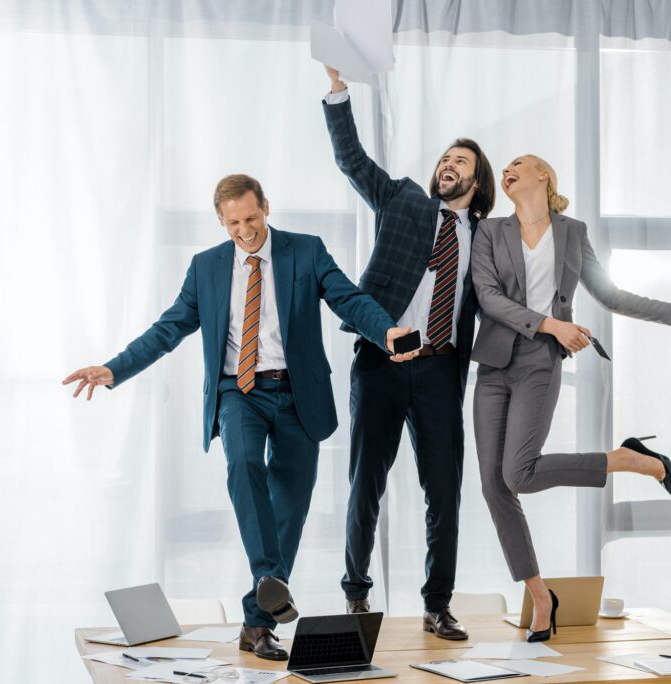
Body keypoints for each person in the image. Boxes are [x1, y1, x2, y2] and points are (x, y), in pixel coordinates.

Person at [62, 174, 418, 660]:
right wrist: (113, 367)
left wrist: (386, 330)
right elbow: (168, 328)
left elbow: (348, 297)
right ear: (221, 221)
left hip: (297, 394)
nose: (245, 231)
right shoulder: (206, 267)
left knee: (289, 509)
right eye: (234, 224)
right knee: (243, 463)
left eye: (252, 219)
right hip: (239, 392)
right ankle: (270, 577)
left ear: (266, 207)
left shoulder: (306, 251)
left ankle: (256, 624)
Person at [470, 154, 671, 642]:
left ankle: (624, 459)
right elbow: (487, 295)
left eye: (520, 163)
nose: (508, 168)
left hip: (540, 362)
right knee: (495, 487)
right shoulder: (490, 231)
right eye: (506, 166)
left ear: (543, 176)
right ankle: (541, 596)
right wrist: (552, 323)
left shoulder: (572, 232)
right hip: (494, 365)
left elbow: (610, 295)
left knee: (518, 472)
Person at [321, 65, 495, 640]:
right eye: (445, 158)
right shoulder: (401, 200)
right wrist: (338, 90)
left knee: (445, 491)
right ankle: (355, 595)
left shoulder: (487, 239)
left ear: (478, 182)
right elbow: (351, 160)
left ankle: (437, 604)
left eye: (462, 162)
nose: (449, 164)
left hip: (443, 371)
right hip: (381, 363)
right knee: (366, 481)